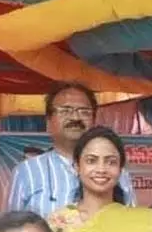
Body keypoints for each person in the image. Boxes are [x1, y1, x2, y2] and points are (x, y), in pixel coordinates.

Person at [7, 82, 135, 217]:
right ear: (49, 122)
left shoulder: (117, 174)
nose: (75, 117)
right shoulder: (27, 171)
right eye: (65, 110)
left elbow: (131, 225)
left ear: (94, 120)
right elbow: (10, 230)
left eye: (84, 111)